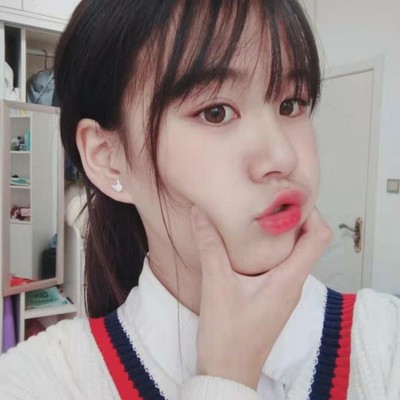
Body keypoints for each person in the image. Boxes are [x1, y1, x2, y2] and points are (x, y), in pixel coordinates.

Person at [1, 1, 400, 399]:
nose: (283, 157)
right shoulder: (41, 381)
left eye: (290, 104)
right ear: (107, 157)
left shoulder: (384, 341)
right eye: (215, 112)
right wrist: (226, 378)